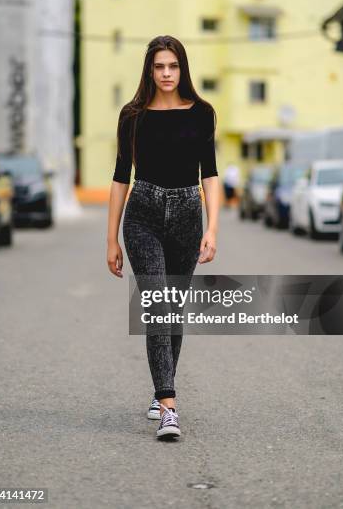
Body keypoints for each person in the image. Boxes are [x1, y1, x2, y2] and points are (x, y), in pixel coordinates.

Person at [106, 35, 220, 440]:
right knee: (156, 303)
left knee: (172, 309)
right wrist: (111, 239)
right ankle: (168, 403)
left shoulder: (202, 112)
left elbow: (210, 173)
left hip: (189, 216)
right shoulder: (132, 116)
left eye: (173, 66)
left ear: (182, 68)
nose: (167, 73)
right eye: (159, 66)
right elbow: (121, 178)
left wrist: (211, 228)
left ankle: (160, 388)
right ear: (149, 70)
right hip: (144, 214)